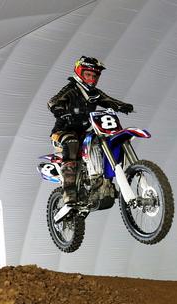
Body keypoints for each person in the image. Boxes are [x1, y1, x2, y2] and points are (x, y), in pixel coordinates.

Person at [47, 56, 134, 204]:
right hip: (63, 131)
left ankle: (101, 181)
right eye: (88, 74)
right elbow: (53, 102)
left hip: (84, 132)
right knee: (72, 142)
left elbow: (108, 100)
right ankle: (69, 192)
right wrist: (60, 110)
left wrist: (122, 106)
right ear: (79, 72)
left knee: (102, 141)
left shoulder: (94, 93)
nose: (92, 79)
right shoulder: (71, 89)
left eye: (95, 76)